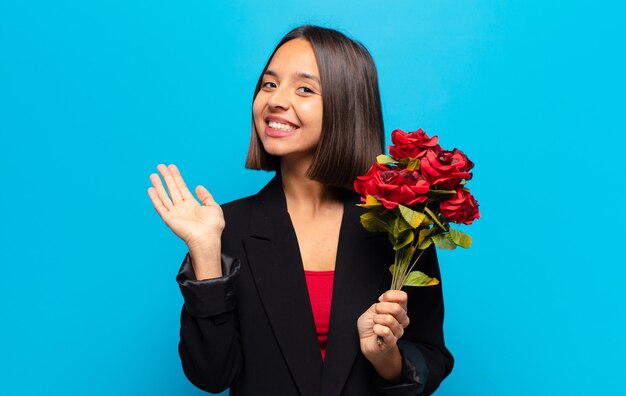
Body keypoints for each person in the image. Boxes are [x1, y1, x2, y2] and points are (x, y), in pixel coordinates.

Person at [148, 25, 453, 395]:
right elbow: (211, 375)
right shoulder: (225, 228)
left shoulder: (402, 226)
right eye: (269, 84)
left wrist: (385, 357)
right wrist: (206, 253)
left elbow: (430, 355)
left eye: (305, 88)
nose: (276, 100)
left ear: (346, 105)